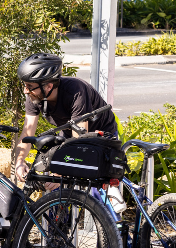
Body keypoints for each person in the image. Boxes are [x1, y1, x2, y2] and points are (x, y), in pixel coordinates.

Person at [12, 53, 119, 181]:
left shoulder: (75, 91)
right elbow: (27, 133)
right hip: (70, 136)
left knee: (96, 183)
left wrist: (62, 173)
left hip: (100, 135)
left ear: (49, 86)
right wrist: (20, 161)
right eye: (24, 85)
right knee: (57, 190)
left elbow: (80, 139)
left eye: (29, 86)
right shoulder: (35, 96)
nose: (25, 90)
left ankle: (112, 199)